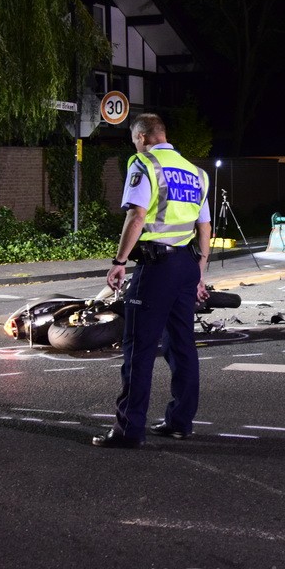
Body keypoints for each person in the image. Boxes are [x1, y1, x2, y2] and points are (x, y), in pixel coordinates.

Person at [92, 113, 211, 449]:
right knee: (182, 345)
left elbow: (137, 215)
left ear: (142, 137)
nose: (136, 145)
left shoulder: (144, 163)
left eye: (135, 140)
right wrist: (199, 269)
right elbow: (204, 227)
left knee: (139, 348)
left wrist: (118, 262)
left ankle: (129, 430)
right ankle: (180, 422)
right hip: (186, 265)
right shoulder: (196, 172)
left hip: (156, 268)